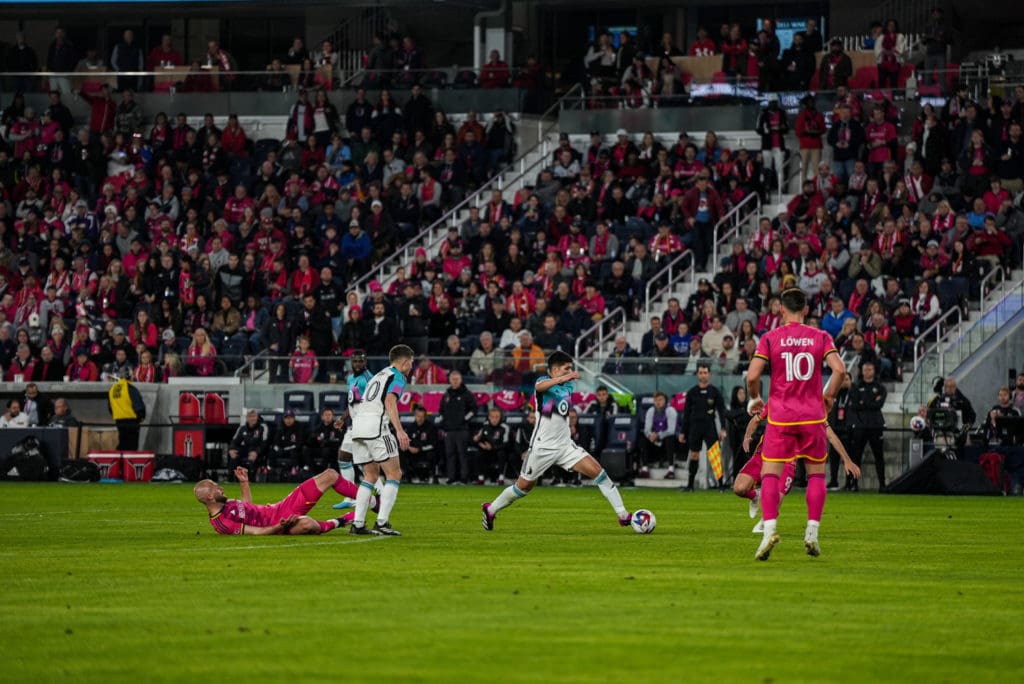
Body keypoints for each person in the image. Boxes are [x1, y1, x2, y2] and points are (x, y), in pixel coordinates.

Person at [746, 286, 848, 560]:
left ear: (781, 309)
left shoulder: (770, 338)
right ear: (805, 310)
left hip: (780, 418)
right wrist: (828, 396)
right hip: (813, 416)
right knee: (816, 475)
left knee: (770, 476)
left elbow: (752, 376)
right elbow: (840, 370)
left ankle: (769, 532)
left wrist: (755, 399)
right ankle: (811, 533)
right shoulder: (821, 336)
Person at [482, 351, 632, 530]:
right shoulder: (542, 383)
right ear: (554, 370)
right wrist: (561, 379)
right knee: (523, 487)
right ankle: (491, 510)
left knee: (599, 473)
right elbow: (540, 388)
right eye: (566, 368)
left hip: (565, 446)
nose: (570, 372)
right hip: (542, 448)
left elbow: (560, 411)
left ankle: (623, 515)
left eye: (571, 369)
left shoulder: (568, 387)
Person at [735, 403, 859, 531]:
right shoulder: (777, 402)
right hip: (764, 454)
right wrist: (747, 437)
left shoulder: (813, 411)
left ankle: (765, 523)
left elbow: (831, 436)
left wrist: (847, 460)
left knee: (778, 495)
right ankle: (755, 496)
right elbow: (755, 421)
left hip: (788, 459)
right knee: (739, 489)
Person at [347, 345, 414, 536]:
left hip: (358, 427)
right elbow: (390, 401)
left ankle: (358, 524)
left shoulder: (378, 374)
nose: (411, 367)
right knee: (394, 474)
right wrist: (399, 431)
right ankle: (382, 522)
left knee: (370, 476)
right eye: (411, 363)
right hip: (376, 427)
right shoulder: (398, 376)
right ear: (404, 362)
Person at [195, 466, 358, 536]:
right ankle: (342, 520)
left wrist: (244, 482)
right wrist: (282, 525)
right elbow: (257, 532)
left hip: (279, 509)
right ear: (209, 497)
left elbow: (247, 506)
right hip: (277, 524)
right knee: (306, 524)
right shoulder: (222, 523)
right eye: (216, 488)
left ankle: (372, 502)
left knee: (330, 475)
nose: (221, 488)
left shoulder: (226, 503)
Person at [678, 363, 729, 488]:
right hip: (695, 427)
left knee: (715, 455)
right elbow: (687, 414)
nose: (703, 375)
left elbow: (721, 411)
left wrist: (723, 428)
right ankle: (690, 485)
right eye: (700, 373)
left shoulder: (715, 392)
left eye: (705, 372)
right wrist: (683, 432)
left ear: (709, 374)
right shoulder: (691, 392)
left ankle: (721, 484)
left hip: (709, 426)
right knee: (694, 454)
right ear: (697, 375)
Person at [848, 360, 888, 491]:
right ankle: (854, 484)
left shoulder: (880, 387)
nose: (867, 372)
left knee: (879, 456)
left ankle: (882, 484)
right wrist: (871, 401)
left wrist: (863, 402)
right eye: (865, 369)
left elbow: (879, 404)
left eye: (870, 369)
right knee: (856, 456)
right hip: (860, 425)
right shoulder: (855, 386)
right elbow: (855, 405)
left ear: (874, 371)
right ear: (862, 371)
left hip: (876, 426)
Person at [441, 370, 476, 485]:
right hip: (449, 430)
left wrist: (464, 419)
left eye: (457, 379)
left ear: (461, 380)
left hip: (462, 429)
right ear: (450, 380)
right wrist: (445, 422)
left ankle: (464, 478)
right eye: (453, 379)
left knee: (462, 454)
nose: (455, 381)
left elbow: (473, 409)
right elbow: (441, 410)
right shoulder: (447, 394)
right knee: (449, 454)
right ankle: (451, 478)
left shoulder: (466, 393)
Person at [640, 392, 677, 479]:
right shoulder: (651, 411)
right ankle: (645, 469)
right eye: (656, 400)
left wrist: (658, 435)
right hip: (655, 441)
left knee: (670, 438)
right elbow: (647, 429)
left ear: (665, 401)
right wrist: (650, 435)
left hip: (667, 440)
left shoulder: (670, 411)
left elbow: (671, 430)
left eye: (660, 400)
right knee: (643, 439)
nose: (658, 402)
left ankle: (671, 469)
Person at [228, 410, 270, 480]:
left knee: (252, 458)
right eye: (250, 416)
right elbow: (234, 441)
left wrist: (256, 452)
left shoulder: (263, 427)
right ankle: (230, 479)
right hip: (246, 449)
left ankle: (251, 479)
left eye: (254, 416)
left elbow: (265, 443)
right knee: (234, 455)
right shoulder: (242, 428)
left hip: (258, 451)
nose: (252, 418)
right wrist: (231, 449)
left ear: (257, 417)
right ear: (247, 418)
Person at [401, 406, 440, 483]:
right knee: (401, 451)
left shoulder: (431, 427)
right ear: (415, 416)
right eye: (418, 416)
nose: (420, 418)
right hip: (412, 452)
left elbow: (434, 444)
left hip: (425, 452)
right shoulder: (411, 427)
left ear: (425, 417)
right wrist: (409, 447)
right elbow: (406, 440)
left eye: (422, 416)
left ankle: (433, 476)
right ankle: (406, 476)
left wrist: (420, 449)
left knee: (433, 454)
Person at [107, 375, 146, 450]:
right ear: (130, 377)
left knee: (123, 442)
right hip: (132, 420)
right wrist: (141, 417)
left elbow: (110, 407)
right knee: (132, 446)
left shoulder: (112, 389)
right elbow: (138, 404)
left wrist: (116, 415)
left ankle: (119, 460)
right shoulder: (130, 388)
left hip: (119, 420)